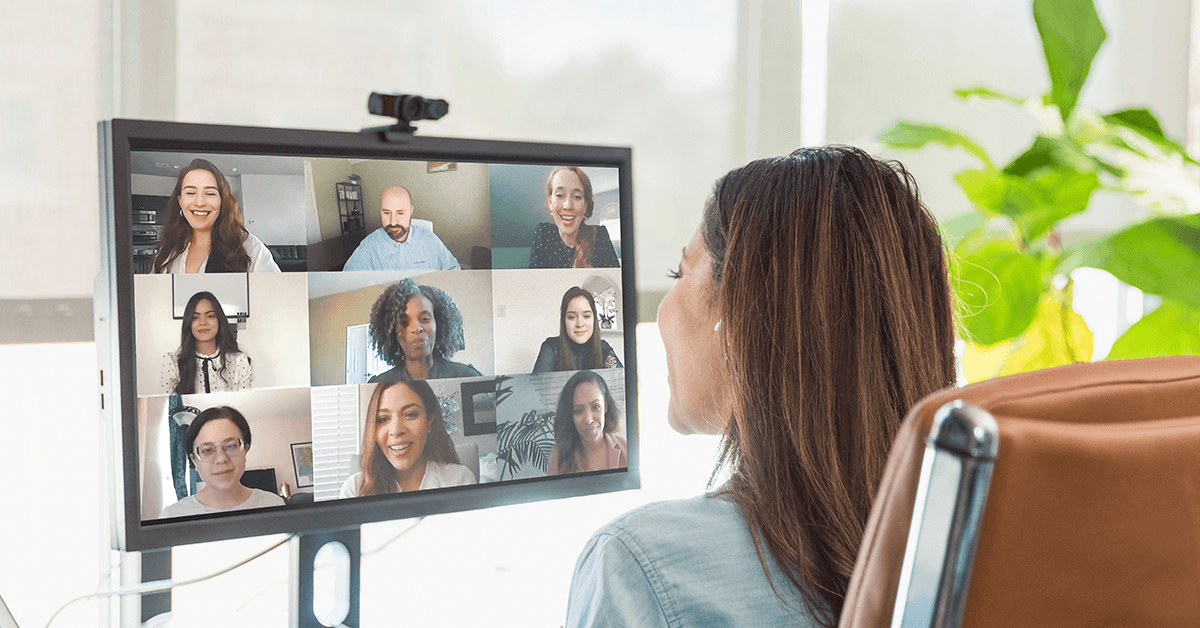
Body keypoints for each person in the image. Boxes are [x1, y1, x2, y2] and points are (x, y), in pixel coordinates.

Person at [565, 146, 957, 627]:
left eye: (680, 272)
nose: (662, 307)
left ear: (739, 314)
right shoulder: (973, 548)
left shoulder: (638, 569)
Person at [340, 380, 476, 496]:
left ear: (429, 422)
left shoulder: (460, 479)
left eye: (410, 414)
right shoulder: (354, 489)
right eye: (383, 419)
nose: (396, 431)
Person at [152, 158, 281, 273]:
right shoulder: (167, 253)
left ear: (221, 201)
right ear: (180, 201)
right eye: (191, 193)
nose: (200, 202)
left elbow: (276, 296)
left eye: (210, 194)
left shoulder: (250, 249)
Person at [161, 406, 285, 517]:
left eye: (230, 446)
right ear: (194, 461)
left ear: (245, 450)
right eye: (208, 450)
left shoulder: (275, 505)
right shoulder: (172, 516)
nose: (221, 459)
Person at [368, 279, 482, 382]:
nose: (417, 328)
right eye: (403, 322)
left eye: (425, 319)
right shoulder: (379, 386)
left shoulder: (468, 377)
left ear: (439, 324)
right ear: (392, 333)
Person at [343, 186, 461, 272]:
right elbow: (348, 281)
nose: (393, 222)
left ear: (411, 211)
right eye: (386, 213)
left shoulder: (430, 239)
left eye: (400, 213)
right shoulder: (369, 245)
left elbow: (453, 270)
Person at [161, 291, 252, 394]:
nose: (203, 322)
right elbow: (170, 406)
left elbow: (245, 404)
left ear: (219, 320)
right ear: (188, 323)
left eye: (210, 316)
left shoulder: (239, 361)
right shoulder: (172, 363)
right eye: (195, 317)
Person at [528, 167, 620, 269]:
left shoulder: (599, 236)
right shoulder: (544, 234)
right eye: (559, 195)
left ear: (585, 205)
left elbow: (614, 281)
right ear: (550, 202)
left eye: (577, 197)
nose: (568, 206)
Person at [548, 370, 627, 475]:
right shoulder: (557, 457)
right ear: (569, 415)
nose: (588, 420)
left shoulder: (627, 449)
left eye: (596, 407)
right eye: (578, 411)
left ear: (606, 407)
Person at [532, 286, 623, 373]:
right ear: (564, 321)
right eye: (572, 317)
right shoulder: (551, 348)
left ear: (594, 319)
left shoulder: (603, 348)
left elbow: (622, 383)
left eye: (586, 316)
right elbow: (536, 387)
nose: (580, 324)